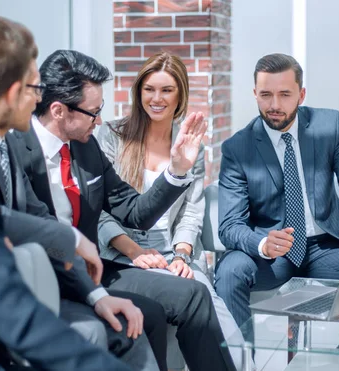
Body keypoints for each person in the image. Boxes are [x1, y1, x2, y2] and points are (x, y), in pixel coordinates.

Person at [0, 14, 128, 370]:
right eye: (35, 89)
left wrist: (66, 236)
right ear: (13, 94)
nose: (40, 101)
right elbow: (14, 314)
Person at [9, 49, 237, 371]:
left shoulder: (86, 147)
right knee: (149, 316)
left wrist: (177, 170)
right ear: (59, 111)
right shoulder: (15, 150)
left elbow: (135, 211)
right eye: (93, 112)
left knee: (194, 295)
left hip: (94, 269)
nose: (100, 120)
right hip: (50, 276)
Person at [0, 51, 164, 370]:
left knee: (143, 317)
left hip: (77, 275)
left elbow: (41, 219)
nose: (37, 98)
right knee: (104, 329)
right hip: (26, 293)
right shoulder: (4, 150)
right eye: (33, 89)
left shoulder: (82, 145)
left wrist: (177, 172)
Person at [214, 53, 339, 349]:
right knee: (229, 272)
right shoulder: (237, 148)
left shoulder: (328, 125)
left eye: (284, 94)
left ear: (301, 94)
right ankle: (243, 365)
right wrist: (262, 244)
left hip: (325, 246)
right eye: (265, 95)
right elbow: (229, 225)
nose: (275, 105)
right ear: (255, 93)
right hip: (271, 251)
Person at [96, 51, 242, 369]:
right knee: (191, 298)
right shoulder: (111, 136)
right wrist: (134, 251)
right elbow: (99, 210)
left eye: (166, 90)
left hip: (172, 253)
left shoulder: (190, 145)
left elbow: (191, 209)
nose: (156, 98)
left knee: (213, 306)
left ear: (180, 95)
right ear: (139, 92)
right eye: (149, 89)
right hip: (122, 253)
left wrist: (181, 254)